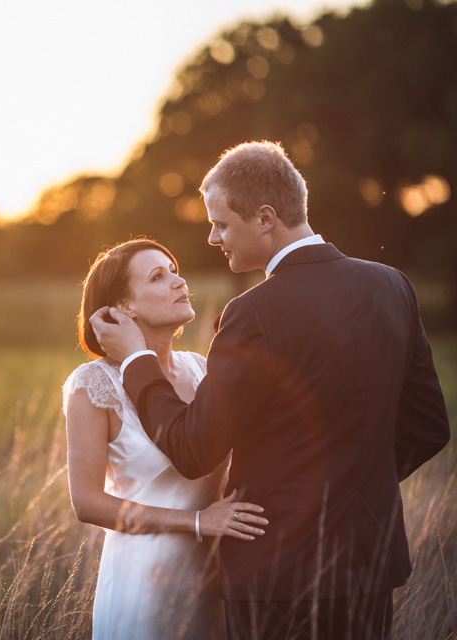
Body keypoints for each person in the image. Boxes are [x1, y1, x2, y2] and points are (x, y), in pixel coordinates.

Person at [90, 141, 450, 640]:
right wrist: (353, 485)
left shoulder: (251, 314)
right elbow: (430, 425)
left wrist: (135, 360)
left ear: (264, 218)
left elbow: (195, 450)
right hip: (369, 563)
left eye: (220, 223)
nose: (213, 237)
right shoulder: (392, 286)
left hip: (275, 571)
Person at [63, 238, 267, 640]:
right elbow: (87, 503)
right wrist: (196, 522)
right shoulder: (93, 384)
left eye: (174, 270)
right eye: (158, 276)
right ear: (123, 309)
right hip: (143, 580)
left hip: (213, 576)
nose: (178, 281)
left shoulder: (203, 369)